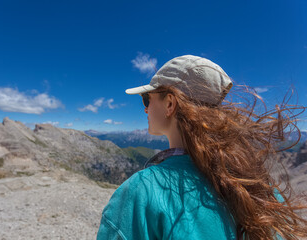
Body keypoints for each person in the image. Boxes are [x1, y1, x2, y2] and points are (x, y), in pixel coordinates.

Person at [96, 55, 307, 239]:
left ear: (170, 103)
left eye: (146, 99)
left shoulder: (140, 192)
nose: (145, 109)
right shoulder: (255, 186)